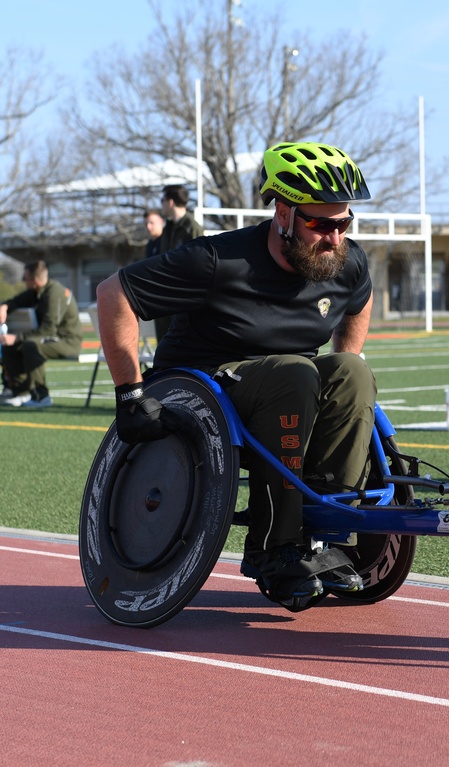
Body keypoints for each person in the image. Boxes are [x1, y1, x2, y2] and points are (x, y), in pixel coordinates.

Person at [95, 142, 375, 605]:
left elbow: (359, 302)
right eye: (320, 224)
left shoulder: (345, 261)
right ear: (282, 214)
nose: (335, 237)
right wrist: (129, 393)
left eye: (344, 223)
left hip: (290, 384)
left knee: (352, 373)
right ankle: (274, 547)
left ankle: (328, 528)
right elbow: (113, 295)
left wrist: (346, 356)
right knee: (296, 374)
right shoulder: (216, 261)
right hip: (206, 382)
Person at [0, 260, 83, 408]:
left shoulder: (54, 293)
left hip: (67, 341)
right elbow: (16, 301)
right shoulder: (36, 292)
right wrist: (5, 306)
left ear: (35, 280)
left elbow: (48, 330)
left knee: (31, 345)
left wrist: (17, 337)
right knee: (9, 346)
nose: (23, 281)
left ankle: (41, 396)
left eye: (25, 278)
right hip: (51, 339)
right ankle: (21, 393)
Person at [155, 185, 205, 341]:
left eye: (162, 200)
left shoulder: (192, 228)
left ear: (170, 202)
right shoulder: (168, 229)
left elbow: (200, 265)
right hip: (166, 298)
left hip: (184, 300)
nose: (161, 204)